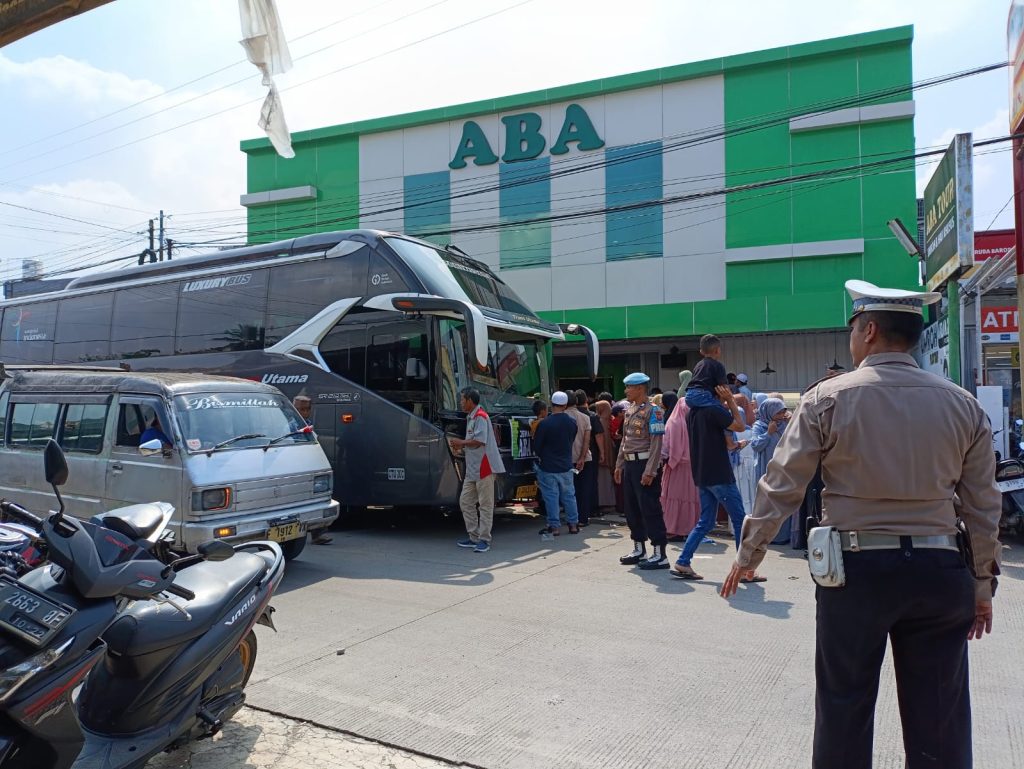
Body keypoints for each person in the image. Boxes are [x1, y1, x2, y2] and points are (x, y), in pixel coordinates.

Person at [721, 280, 1002, 769]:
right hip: (940, 572)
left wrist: (750, 554)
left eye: (853, 329)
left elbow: (782, 484)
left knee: (844, 706)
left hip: (856, 574)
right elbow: (982, 505)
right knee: (940, 714)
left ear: (869, 331)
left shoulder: (826, 399)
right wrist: (982, 585)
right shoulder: (964, 405)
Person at [670, 384, 754, 581]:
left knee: (706, 521)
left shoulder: (692, 413)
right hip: (719, 473)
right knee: (739, 519)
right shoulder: (715, 411)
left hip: (702, 473)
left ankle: (683, 561)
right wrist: (732, 403)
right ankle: (744, 569)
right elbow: (739, 427)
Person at [614, 372, 669, 569]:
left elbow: (656, 444)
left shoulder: (655, 411)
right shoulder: (629, 410)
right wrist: (619, 464)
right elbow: (625, 440)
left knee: (650, 509)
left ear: (640, 389)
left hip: (645, 465)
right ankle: (639, 548)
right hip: (630, 464)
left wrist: (651, 471)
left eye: (629, 387)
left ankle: (659, 553)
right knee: (632, 509)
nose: (626, 390)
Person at [452, 388, 505, 553]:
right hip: (473, 469)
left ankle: (484, 539)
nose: (460, 402)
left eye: (462, 399)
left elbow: (479, 441)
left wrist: (460, 443)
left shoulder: (481, 416)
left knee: (485, 505)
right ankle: (473, 536)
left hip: (484, 467)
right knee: (465, 501)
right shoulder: (472, 416)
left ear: (469, 401)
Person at [533, 391, 580, 536]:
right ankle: (573, 524)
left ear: (551, 404)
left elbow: (537, 447)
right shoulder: (572, 423)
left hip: (548, 466)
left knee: (551, 497)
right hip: (566, 465)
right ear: (565, 405)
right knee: (569, 496)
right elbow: (571, 440)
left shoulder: (545, 423)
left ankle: (554, 526)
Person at [292, 395, 333, 545]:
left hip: (309, 465)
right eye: (299, 409)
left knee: (317, 498)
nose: (302, 412)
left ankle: (318, 533)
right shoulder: (289, 425)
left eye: (305, 409)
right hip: (296, 466)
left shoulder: (308, 424)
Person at [749, 397, 790, 544]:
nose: (781, 416)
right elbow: (755, 445)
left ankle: (783, 535)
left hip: (782, 469)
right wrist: (768, 433)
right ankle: (765, 536)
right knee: (767, 504)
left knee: (782, 503)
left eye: (783, 412)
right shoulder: (759, 426)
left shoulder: (784, 425)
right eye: (778, 413)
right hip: (766, 469)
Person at [660, 396, 700, 540]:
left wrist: (661, 459)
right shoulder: (696, 422)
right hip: (693, 467)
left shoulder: (673, 422)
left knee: (673, 497)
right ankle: (689, 529)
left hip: (675, 466)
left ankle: (672, 528)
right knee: (690, 498)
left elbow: (665, 446)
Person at [573, 390, 604, 526]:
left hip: (571, 455)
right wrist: (602, 452)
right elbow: (598, 436)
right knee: (590, 483)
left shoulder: (569, 415)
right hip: (590, 455)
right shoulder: (591, 416)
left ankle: (576, 514)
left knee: (574, 486)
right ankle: (591, 510)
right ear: (586, 400)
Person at [684, 335, 730, 411]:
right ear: (717, 350)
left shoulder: (698, 365)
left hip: (689, 396)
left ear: (701, 351)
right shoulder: (718, 365)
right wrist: (725, 402)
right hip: (703, 395)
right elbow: (724, 389)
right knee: (721, 410)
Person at [593, 398, 617, 512]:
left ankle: (604, 503)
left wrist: (601, 453)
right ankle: (611, 502)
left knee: (603, 481)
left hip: (603, 457)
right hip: (610, 456)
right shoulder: (609, 420)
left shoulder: (600, 421)